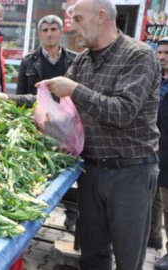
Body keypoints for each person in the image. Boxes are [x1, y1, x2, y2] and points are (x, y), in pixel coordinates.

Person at [40, 0, 160, 269]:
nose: (71, 27)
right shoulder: (83, 61)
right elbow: (54, 96)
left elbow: (123, 111)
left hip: (131, 173)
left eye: (78, 19)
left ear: (101, 17)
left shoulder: (138, 55)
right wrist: (5, 99)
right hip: (91, 171)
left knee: (129, 260)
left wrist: (74, 90)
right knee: (93, 257)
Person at [0, 15, 78, 231]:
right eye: (45, 30)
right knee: (44, 168)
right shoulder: (29, 61)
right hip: (40, 125)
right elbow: (23, 94)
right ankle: (37, 209)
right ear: (39, 34)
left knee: (69, 170)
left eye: (54, 29)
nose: (50, 33)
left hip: (68, 126)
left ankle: (71, 213)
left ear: (61, 33)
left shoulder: (74, 60)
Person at [148, 37, 168, 270]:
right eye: (160, 53)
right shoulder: (154, 80)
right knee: (153, 197)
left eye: (166, 53)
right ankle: (153, 238)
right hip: (153, 148)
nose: (162, 57)